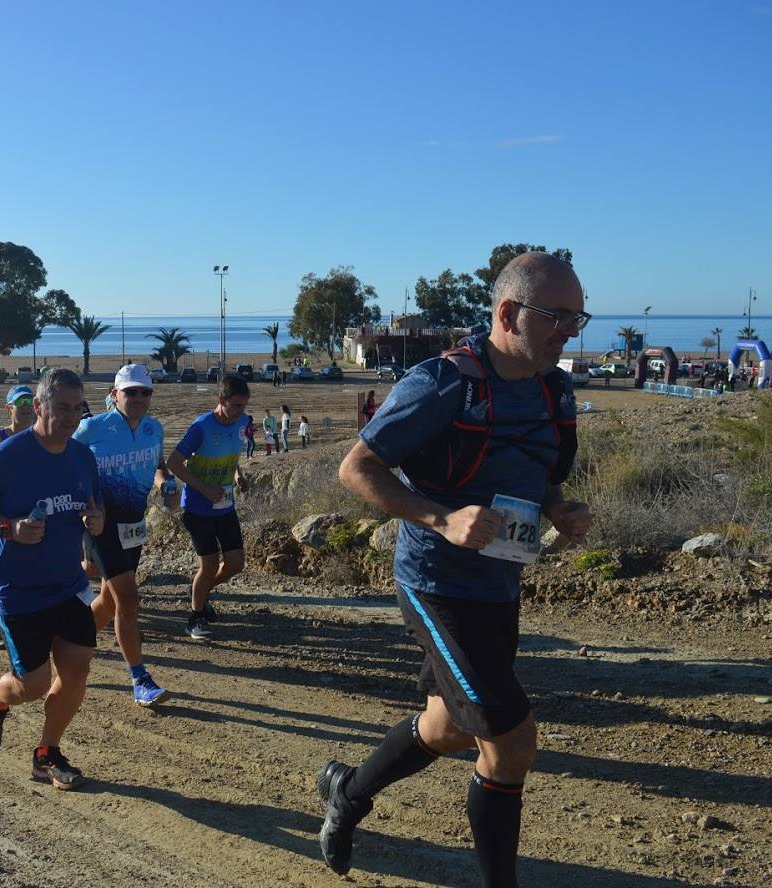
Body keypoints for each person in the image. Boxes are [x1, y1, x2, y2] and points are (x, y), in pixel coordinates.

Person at [322, 252, 592, 886]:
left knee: (445, 726)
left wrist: (560, 507)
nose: (570, 332)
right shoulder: (443, 383)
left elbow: (546, 477)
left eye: (578, 318)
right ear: (508, 313)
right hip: (437, 584)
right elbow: (356, 469)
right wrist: (441, 519)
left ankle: (347, 791)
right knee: (511, 743)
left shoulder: (555, 388)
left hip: (499, 579)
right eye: (557, 317)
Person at [0, 369, 104, 790]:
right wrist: (8, 527)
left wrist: (96, 521)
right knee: (34, 685)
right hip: (19, 591)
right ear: (39, 407)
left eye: (78, 408)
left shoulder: (82, 456)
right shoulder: (8, 455)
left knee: (76, 671)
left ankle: (47, 753)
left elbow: (94, 507)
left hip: (67, 585)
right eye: (61, 407)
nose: (71, 417)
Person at [73, 364, 176, 708]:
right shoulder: (91, 428)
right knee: (129, 600)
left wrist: (166, 484)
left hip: (134, 525)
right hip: (99, 525)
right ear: (115, 394)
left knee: (107, 600)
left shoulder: (153, 429)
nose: (138, 398)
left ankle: (69, 645)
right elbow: (63, 466)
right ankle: (139, 678)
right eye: (130, 391)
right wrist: (84, 508)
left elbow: (158, 465)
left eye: (145, 392)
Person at [166, 375, 251, 640]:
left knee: (236, 563)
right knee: (210, 564)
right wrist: (204, 488)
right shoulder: (201, 427)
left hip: (225, 505)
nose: (241, 411)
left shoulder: (243, 422)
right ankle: (195, 617)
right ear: (221, 400)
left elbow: (232, 453)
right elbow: (174, 462)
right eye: (235, 405)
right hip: (197, 507)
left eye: (244, 405)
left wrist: (237, 475)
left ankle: (198, 594)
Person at [0, 385, 36, 648]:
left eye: (28, 400)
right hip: (0, 517)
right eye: (18, 401)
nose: (24, 405)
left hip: (33, 516)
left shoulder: (41, 437)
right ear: (8, 408)